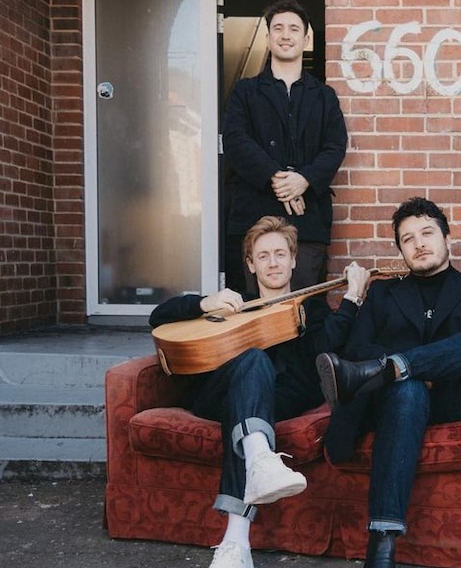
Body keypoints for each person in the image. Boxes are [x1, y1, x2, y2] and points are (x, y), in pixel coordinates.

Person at [314, 197, 461, 568]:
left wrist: (417, 365)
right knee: (407, 389)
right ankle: (381, 549)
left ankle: (397, 366)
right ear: (401, 250)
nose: (419, 243)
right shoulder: (383, 293)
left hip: (460, 400)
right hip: (398, 405)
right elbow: (357, 347)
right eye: (408, 239)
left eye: (427, 233)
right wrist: (414, 376)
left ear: (447, 238)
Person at [149, 216, 370, 568]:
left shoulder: (311, 308)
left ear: (294, 259)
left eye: (280, 254)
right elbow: (159, 316)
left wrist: (352, 299)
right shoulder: (235, 305)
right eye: (263, 256)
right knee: (251, 360)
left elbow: (324, 349)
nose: (273, 263)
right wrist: (204, 303)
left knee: (248, 415)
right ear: (251, 264)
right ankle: (260, 462)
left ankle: (236, 542)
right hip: (217, 397)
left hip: (282, 399)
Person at [222, 0, 348, 294]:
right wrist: (278, 179)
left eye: (294, 28)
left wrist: (304, 180)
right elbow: (235, 140)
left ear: (306, 39)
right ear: (268, 37)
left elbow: (335, 145)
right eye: (278, 28)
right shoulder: (245, 91)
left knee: (304, 309)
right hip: (253, 214)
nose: (285, 34)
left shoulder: (324, 96)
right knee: (252, 310)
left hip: (308, 221)